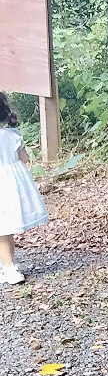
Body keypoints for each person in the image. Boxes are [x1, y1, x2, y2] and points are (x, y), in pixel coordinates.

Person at [0, 93, 48, 285]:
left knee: (2, 229)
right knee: (6, 228)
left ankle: (10, 268)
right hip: (10, 186)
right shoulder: (12, 136)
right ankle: (9, 264)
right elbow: (25, 158)